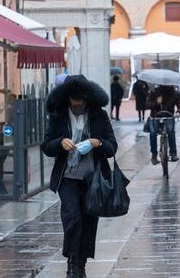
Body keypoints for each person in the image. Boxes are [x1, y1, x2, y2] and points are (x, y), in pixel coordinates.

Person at [42, 75, 118, 278]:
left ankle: (80, 264)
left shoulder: (99, 116)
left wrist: (97, 143)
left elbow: (112, 147)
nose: (78, 105)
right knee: (73, 217)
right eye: (74, 101)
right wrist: (60, 143)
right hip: (67, 178)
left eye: (81, 101)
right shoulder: (58, 116)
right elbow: (46, 146)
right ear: (66, 98)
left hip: (93, 178)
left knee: (88, 221)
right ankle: (71, 263)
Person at [148, 84, 180, 164]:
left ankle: (173, 153)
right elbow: (147, 104)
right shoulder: (154, 92)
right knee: (153, 133)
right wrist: (156, 102)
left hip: (169, 116)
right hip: (155, 117)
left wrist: (178, 112)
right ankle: (154, 155)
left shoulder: (175, 93)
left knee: (171, 132)